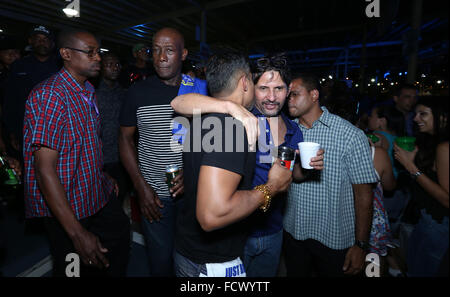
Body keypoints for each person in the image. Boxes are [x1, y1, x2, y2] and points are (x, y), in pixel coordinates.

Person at [171, 53, 324, 277]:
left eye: (279, 89)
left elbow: (291, 175)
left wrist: (307, 168)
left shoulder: (294, 130)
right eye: (263, 88)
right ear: (249, 84)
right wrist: (229, 107)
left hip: (272, 229)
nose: (271, 97)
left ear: (288, 89)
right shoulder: (243, 115)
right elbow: (178, 103)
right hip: (238, 231)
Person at [23, 29, 130, 277]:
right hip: (66, 205)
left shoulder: (87, 91)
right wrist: (77, 233)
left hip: (92, 191)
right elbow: (44, 168)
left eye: (98, 52)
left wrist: (102, 176)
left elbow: (86, 144)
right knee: (73, 267)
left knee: (118, 236)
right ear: (66, 54)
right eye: (90, 52)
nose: (98, 58)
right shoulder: (50, 96)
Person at [119, 27, 208, 276]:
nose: (160, 57)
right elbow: (125, 139)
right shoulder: (138, 92)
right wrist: (140, 187)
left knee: (193, 263)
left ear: (183, 54)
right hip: (154, 196)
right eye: (155, 50)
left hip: (195, 195)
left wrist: (194, 173)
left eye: (169, 50)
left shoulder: (200, 89)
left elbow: (216, 143)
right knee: (160, 263)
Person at [283, 74, 378, 277]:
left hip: (334, 237)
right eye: (287, 95)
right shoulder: (286, 131)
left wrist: (361, 245)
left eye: (295, 94)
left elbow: (364, 194)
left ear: (314, 95)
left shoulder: (349, 134)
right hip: (293, 231)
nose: (288, 99)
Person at [394, 96, 448, 277]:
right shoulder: (431, 143)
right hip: (427, 220)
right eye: (416, 114)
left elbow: (447, 199)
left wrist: (411, 167)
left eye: (423, 114)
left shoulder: (445, 147)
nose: (416, 119)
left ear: (443, 117)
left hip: (439, 224)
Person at [96, 52, 128, 204]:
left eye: (117, 65)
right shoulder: (92, 92)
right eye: (109, 65)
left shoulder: (123, 92)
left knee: (120, 195)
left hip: (120, 156)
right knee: (102, 198)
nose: (114, 68)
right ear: (101, 67)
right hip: (100, 158)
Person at [368, 104, 405, 178]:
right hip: (395, 176)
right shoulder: (395, 136)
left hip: (384, 179)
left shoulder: (377, 136)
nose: (368, 118)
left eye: (371, 115)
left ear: (382, 121)